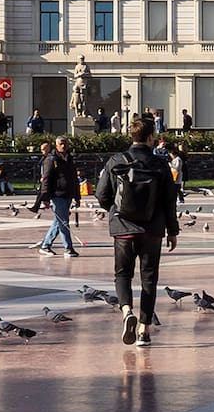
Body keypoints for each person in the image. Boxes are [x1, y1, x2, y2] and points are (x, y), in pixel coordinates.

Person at [95, 113, 181, 346]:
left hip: (123, 228)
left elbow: (101, 194)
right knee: (149, 279)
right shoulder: (160, 164)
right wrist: (172, 230)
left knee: (123, 274)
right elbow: (169, 201)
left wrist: (115, 210)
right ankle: (144, 329)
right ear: (151, 137)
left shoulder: (116, 160)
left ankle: (126, 312)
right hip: (152, 229)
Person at [33, 138, 77, 255]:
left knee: (58, 221)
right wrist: (45, 197)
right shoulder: (51, 159)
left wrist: (77, 196)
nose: (63, 146)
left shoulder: (69, 158)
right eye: (61, 144)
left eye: (65, 144)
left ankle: (46, 245)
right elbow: (46, 179)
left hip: (68, 194)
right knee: (63, 222)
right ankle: (68, 248)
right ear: (56, 145)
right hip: (57, 195)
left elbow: (74, 178)